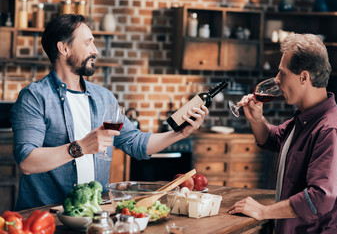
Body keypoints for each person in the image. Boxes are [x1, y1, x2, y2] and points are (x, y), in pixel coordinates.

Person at [11, 14, 209, 211]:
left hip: (93, 213)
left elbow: (135, 143)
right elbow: (27, 161)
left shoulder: (103, 98)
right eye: (88, 43)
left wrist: (180, 133)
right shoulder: (35, 96)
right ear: (63, 48)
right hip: (46, 217)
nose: (95, 51)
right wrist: (80, 147)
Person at [228, 34, 337, 233]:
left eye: (282, 73)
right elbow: (273, 139)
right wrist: (256, 119)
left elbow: (320, 198)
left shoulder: (331, 129)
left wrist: (263, 211)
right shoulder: (305, 119)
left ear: (304, 77)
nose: (277, 80)